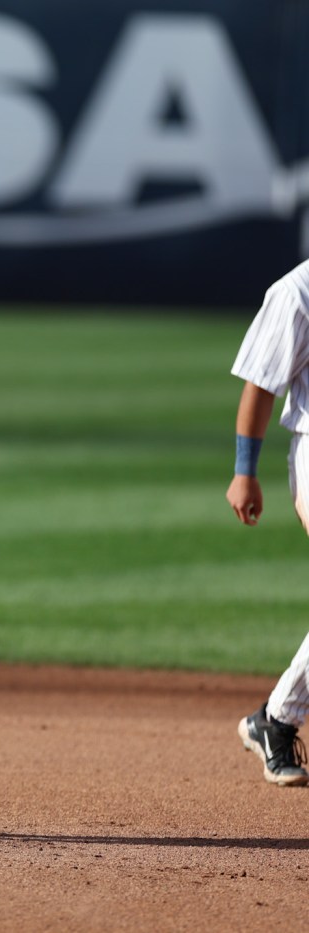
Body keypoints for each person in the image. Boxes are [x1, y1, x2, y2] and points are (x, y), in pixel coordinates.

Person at [226, 259, 309, 787]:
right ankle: (276, 719)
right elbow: (261, 385)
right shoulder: (298, 292)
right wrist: (244, 472)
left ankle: (274, 720)